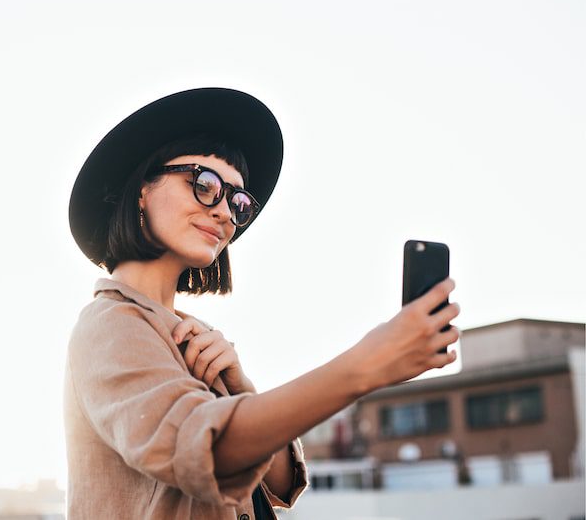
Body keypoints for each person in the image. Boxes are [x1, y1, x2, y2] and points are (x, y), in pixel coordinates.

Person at [64, 88, 460, 519]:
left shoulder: (189, 335)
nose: (224, 213)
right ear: (142, 189)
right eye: (204, 184)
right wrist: (366, 365)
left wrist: (239, 387)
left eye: (238, 202)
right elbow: (211, 452)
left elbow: (275, 483)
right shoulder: (111, 323)